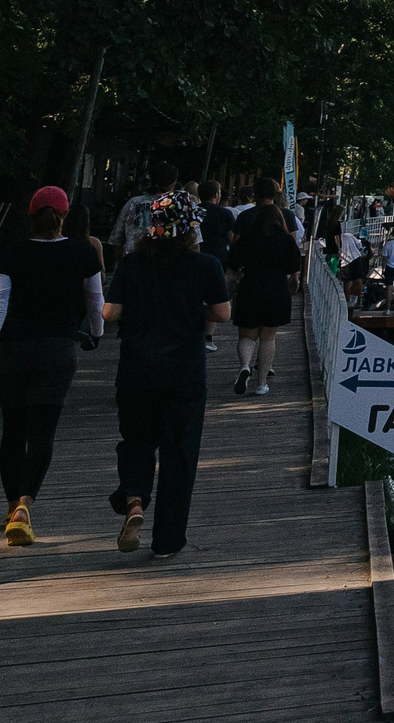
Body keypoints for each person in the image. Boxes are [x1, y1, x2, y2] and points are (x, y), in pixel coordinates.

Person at [103, 191, 229, 559]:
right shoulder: (205, 265)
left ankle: (136, 502)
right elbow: (222, 314)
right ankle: (167, 542)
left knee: (136, 440)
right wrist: (193, 309)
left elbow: (110, 313)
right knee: (179, 453)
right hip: (184, 373)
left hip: (137, 370)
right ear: (191, 227)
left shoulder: (131, 264)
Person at [0, 185, 105, 546]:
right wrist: (96, 333)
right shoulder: (83, 251)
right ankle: (25, 507)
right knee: (43, 432)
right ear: (65, 215)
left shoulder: (10, 253)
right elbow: (95, 299)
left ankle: (9, 507)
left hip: (12, 351)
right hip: (58, 349)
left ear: (30, 215)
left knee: (13, 430)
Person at [227, 196, 303, 397]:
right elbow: (295, 266)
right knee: (268, 338)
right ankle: (261, 383)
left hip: (250, 287)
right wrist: (294, 281)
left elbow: (233, 262)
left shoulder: (249, 236)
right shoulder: (286, 238)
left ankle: (245, 366)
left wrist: (236, 278)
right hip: (276, 289)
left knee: (247, 335)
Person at [196, 181, 235, 352]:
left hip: (195, 256)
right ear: (217, 195)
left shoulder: (193, 210)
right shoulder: (225, 213)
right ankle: (208, 337)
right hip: (218, 258)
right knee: (214, 296)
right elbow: (231, 239)